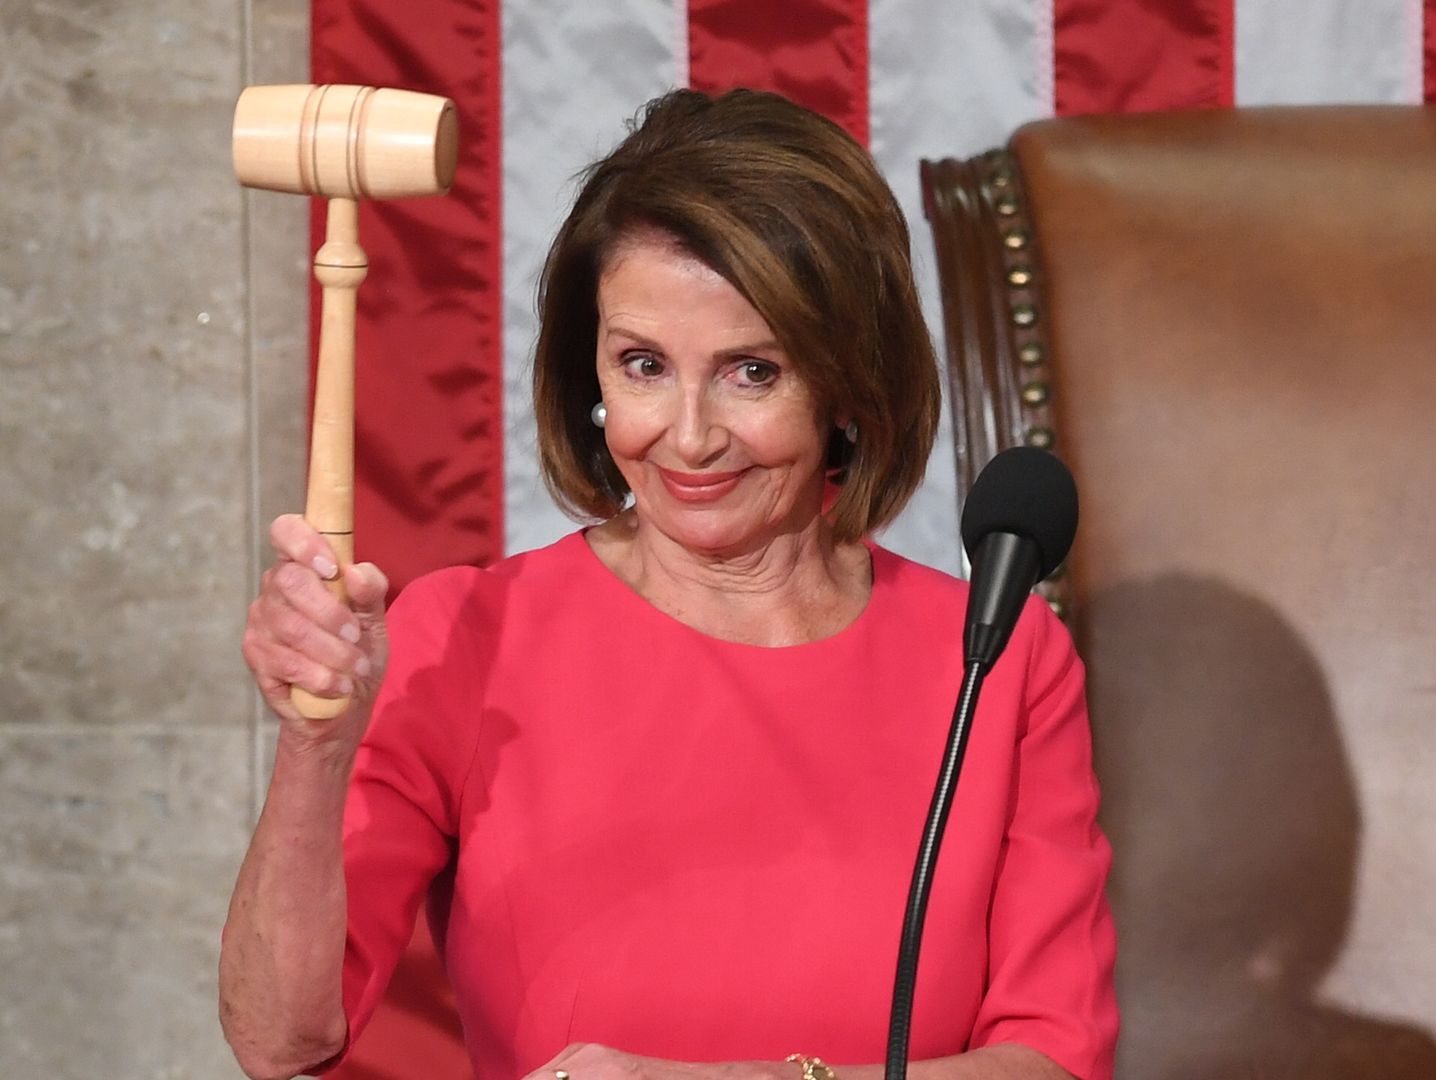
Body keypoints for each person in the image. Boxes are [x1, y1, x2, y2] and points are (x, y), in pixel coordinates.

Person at [217, 88, 1118, 1080]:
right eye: (643, 365)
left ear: (852, 387)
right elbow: (283, 1038)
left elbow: (1052, 1061)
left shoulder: (1000, 659)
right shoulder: (465, 633)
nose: (687, 437)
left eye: (752, 373)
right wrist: (315, 747)